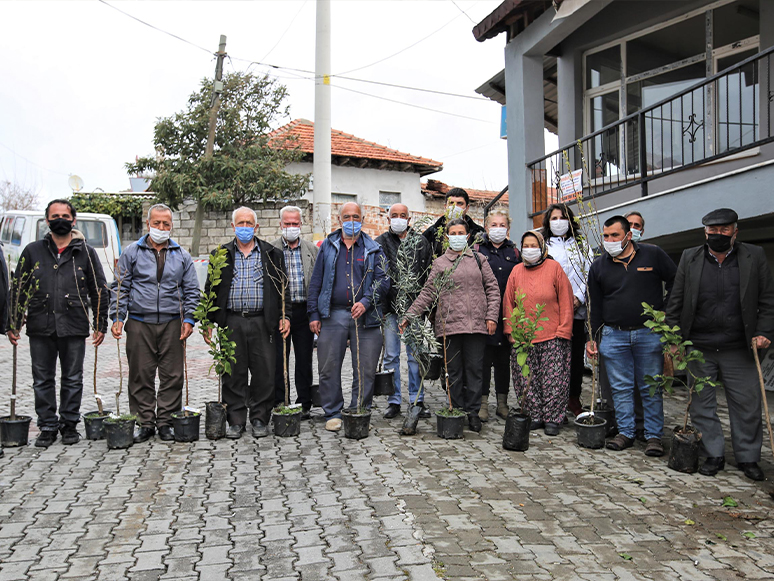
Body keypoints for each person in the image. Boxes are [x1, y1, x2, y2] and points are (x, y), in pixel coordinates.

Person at [666, 208, 774, 481]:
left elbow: (767, 300)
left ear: (735, 231)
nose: (718, 235)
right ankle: (713, 454)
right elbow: (675, 301)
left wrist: (763, 332)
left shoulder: (754, 256)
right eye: (712, 231)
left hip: (740, 346)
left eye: (724, 230)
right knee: (702, 405)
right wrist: (674, 340)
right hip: (700, 346)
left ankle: (748, 458)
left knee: (747, 406)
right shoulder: (690, 258)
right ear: (705, 232)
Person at [8, 199, 107, 447]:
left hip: (73, 325)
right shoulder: (32, 251)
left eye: (65, 215)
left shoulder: (86, 252)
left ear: (73, 220)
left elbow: (99, 289)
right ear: (47, 220)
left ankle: (69, 425)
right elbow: (19, 288)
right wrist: (13, 321)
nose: (60, 219)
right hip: (40, 325)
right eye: (55, 216)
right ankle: (48, 426)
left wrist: (100, 323)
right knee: (42, 379)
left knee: (73, 378)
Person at [586, 216, 677, 456]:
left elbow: (677, 279)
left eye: (614, 235)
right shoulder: (598, 266)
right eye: (606, 236)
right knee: (621, 388)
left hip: (648, 334)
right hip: (613, 335)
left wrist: (667, 310)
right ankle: (626, 432)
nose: (609, 241)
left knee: (650, 387)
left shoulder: (653, 254)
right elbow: (595, 306)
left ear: (628, 235)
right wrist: (593, 337)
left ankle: (653, 436)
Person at [110, 203, 199, 443]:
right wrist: (117, 316)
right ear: (148, 224)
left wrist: (189, 319)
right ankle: (145, 422)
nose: (161, 227)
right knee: (140, 375)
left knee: (172, 375)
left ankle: (167, 422)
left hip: (172, 323)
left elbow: (191, 290)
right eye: (156, 223)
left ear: (171, 226)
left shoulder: (182, 255)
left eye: (166, 224)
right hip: (139, 322)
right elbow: (120, 287)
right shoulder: (132, 252)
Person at [402, 218, 500, 432]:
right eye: (452, 233)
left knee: (475, 370)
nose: (457, 237)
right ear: (447, 237)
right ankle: (456, 409)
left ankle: (473, 412)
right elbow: (428, 293)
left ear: (467, 236)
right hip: (449, 326)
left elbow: (493, 289)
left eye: (460, 233)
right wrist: (410, 315)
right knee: (453, 372)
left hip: (476, 326)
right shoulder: (440, 263)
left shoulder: (479, 259)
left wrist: (491, 317)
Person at [204, 207, 290, 438]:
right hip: (232, 321)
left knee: (264, 372)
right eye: (240, 223)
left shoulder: (272, 254)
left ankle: (260, 418)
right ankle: (236, 420)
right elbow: (210, 290)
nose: (245, 227)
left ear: (256, 226)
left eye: (249, 223)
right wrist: (208, 322)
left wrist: (285, 316)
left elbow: (284, 290)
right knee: (233, 373)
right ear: (233, 227)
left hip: (263, 321)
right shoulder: (219, 255)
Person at [307, 202, 390, 432]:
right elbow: (316, 281)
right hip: (332, 314)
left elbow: (384, 281)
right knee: (328, 366)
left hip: (366, 317)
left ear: (362, 220)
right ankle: (333, 412)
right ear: (339, 219)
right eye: (347, 216)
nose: (351, 221)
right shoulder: (328, 246)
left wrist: (365, 302)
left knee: (365, 368)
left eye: (356, 217)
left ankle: (359, 410)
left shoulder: (373, 248)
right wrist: (313, 313)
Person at [503, 230, 574, 435]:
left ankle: (553, 418)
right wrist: (511, 331)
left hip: (553, 335)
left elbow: (566, 301)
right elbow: (509, 302)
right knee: (526, 378)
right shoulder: (516, 271)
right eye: (526, 246)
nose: (530, 250)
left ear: (542, 248)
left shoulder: (554, 268)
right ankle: (533, 414)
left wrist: (564, 329)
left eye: (534, 245)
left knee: (554, 380)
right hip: (523, 337)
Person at [375, 203, 433, 419]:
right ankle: (394, 400)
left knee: (415, 356)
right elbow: (378, 278)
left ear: (410, 218)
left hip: (414, 310)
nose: (399, 219)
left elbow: (427, 276)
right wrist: (381, 307)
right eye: (394, 215)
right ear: (388, 219)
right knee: (391, 356)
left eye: (403, 215)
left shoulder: (421, 242)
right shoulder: (380, 243)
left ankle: (417, 400)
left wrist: (422, 308)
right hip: (390, 310)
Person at [539, 203, 591, 418]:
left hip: (576, 310)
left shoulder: (581, 244)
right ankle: (549, 398)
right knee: (551, 357)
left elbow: (588, 272)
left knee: (575, 358)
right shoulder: (544, 245)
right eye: (554, 218)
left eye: (562, 217)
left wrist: (579, 297)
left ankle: (573, 397)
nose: (558, 222)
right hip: (550, 311)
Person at [271, 206, 318, 419]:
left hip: (304, 311)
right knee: (280, 359)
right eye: (287, 224)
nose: (291, 227)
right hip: (280, 313)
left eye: (295, 224)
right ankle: (281, 400)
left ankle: (304, 402)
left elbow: (317, 282)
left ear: (301, 224)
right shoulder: (270, 250)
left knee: (304, 359)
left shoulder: (311, 249)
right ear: (281, 225)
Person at [477, 208, 520, 421]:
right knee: (484, 360)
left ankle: (502, 403)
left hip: (508, 314)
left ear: (508, 229)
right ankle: (482, 403)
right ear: (486, 227)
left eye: (502, 225)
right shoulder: (477, 250)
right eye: (494, 225)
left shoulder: (515, 253)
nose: (498, 229)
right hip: (484, 314)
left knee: (504, 361)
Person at [423, 188, 485, 257]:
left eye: (460, 203)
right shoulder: (432, 232)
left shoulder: (478, 232)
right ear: (445, 206)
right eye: (451, 203)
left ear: (467, 207)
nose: (455, 207)